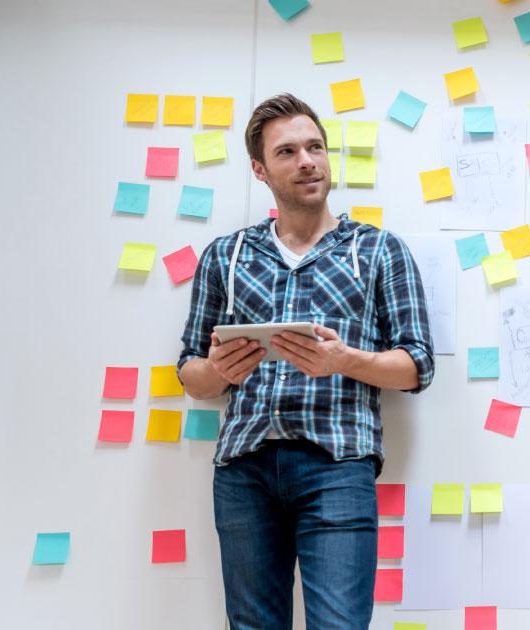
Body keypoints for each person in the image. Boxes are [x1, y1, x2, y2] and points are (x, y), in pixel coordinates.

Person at [176, 93, 434, 630]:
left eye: (315, 147)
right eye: (287, 152)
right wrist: (220, 370)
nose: (307, 161)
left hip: (338, 466)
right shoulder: (226, 256)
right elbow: (191, 373)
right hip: (244, 471)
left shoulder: (379, 251)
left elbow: (417, 366)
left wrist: (343, 360)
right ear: (260, 169)